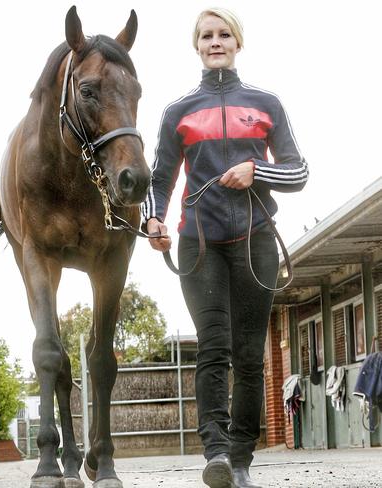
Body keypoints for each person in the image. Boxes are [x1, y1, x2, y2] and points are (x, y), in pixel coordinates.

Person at [142, 8, 308, 488]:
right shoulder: (178, 112)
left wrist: (258, 171)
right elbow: (160, 180)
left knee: (249, 353)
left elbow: (298, 172)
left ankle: (240, 459)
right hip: (200, 242)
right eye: (207, 36)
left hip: (256, 238)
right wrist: (153, 219)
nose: (216, 42)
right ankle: (214, 452)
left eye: (224, 34)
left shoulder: (266, 103)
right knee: (212, 348)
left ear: (238, 43)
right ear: (196, 46)